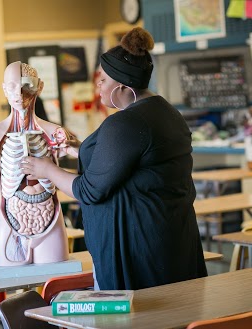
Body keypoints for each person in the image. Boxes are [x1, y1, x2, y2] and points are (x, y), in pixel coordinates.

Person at [20, 27, 208, 290]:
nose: (98, 85)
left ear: (122, 87)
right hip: (171, 239)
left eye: (103, 80)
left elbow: (89, 191)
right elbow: (132, 162)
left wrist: (46, 169)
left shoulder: (125, 124)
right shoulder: (166, 112)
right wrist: (78, 149)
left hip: (139, 250)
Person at [0, 61, 78, 266]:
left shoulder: (55, 133)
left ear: (39, 87)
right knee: (9, 278)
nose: (20, 93)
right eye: (12, 86)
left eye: (27, 86)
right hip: (10, 219)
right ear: (4, 89)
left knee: (54, 278)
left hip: (49, 215)